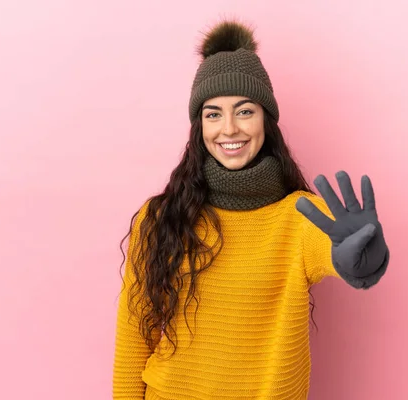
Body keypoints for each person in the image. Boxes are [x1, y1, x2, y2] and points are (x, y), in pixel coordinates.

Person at [112, 20, 390, 400]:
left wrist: (366, 260)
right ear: (199, 127)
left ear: (265, 120)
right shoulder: (162, 218)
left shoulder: (301, 217)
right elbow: (134, 337)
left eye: (244, 111)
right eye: (213, 114)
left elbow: (339, 252)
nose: (229, 129)